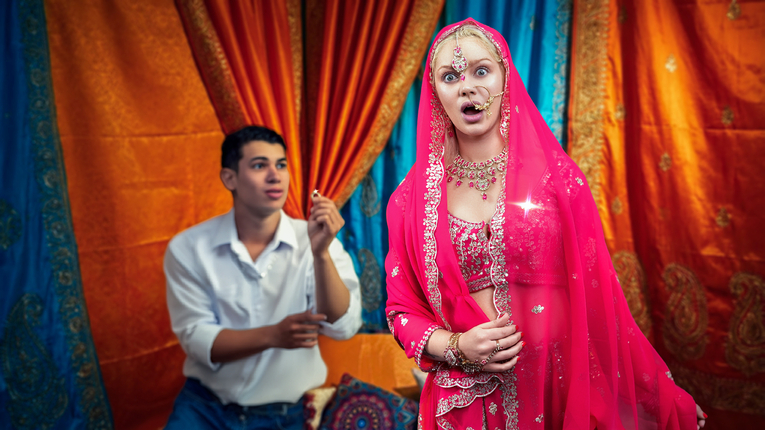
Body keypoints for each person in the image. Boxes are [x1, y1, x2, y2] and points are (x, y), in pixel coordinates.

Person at [385, 19, 707, 430]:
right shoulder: (412, 202)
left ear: (506, 77)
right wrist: (456, 346)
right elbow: (401, 311)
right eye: (450, 76)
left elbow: (601, 302)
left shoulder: (559, 183)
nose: (467, 87)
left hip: (556, 392)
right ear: (435, 92)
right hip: (465, 404)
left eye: (481, 71)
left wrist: (660, 395)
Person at [164, 125, 362, 429]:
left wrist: (320, 254)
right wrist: (273, 335)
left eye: (281, 165)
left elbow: (343, 326)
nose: (275, 176)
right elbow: (197, 340)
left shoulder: (316, 239)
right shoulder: (188, 247)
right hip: (204, 408)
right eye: (259, 166)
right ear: (229, 178)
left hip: (286, 414)